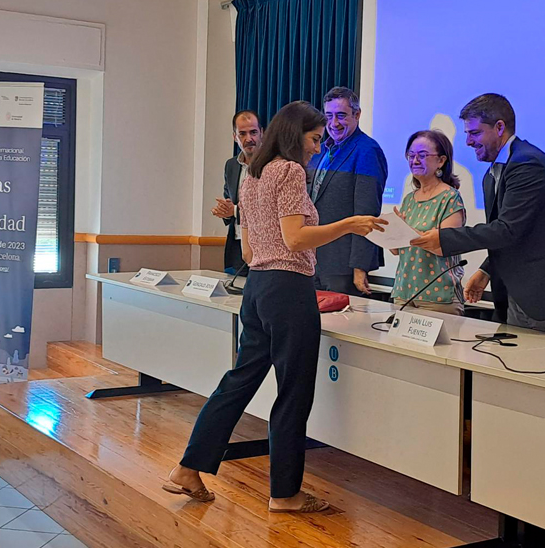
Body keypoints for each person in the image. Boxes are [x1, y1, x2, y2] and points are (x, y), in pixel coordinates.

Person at [163, 101, 386, 513]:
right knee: (293, 394)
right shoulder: (289, 171)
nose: (319, 148)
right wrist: (350, 224)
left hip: (258, 287)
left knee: (238, 382)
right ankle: (286, 494)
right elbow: (297, 240)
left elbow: (248, 248)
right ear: (294, 135)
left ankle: (187, 468)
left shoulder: (251, 174)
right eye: (315, 139)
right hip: (289, 289)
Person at [411, 93, 545, 336]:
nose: (468, 141)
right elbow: (512, 232)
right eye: (467, 133)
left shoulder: (528, 164)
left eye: (474, 133)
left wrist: (445, 239)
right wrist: (488, 269)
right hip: (520, 293)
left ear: (500, 127)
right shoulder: (493, 173)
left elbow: (508, 229)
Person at [308, 86, 388, 295]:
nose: (334, 123)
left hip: (343, 265)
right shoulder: (320, 150)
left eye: (341, 116)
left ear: (357, 115)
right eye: (329, 116)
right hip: (313, 258)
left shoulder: (367, 151)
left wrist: (360, 266)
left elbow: (366, 213)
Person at [391, 130, 465, 315]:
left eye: (422, 155)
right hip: (404, 293)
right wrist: (393, 231)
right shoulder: (409, 199)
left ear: (441, 161)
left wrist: (407, 231)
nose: (415, 160)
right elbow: (396, 250)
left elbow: (444, 246)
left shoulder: (450, 198)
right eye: (411, 155)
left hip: (438, 296)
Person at [212, 110, 263, 274]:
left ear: (262, 133)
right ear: (235, 137)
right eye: (242, 133)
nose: (249, 139)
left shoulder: (273, 164)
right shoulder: (231, 165)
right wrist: (225, 212)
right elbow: (229, 199)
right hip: (236, 246)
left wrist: (233, 210)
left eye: (253, 132)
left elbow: (268, 206)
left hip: (264, 247)